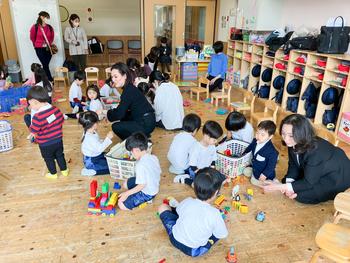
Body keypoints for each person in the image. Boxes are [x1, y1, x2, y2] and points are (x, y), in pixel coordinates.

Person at [263, 114, 350, 204]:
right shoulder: (293, 142)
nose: (286, 139)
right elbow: (293, 165)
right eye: (283, 134)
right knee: (288, 182)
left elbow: (308, 182)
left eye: (290, 135)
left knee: (300, 195)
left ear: (301, 133)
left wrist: (280, 187)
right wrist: (287, 184)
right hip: (318, 168)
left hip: (336, 176)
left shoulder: (315, 151)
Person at [158, 168, 228, 257]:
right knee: (216, 232)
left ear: (193, 186)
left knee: (162, 207)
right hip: (193, 251)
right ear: (216, 193)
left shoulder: (188, 201)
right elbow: (222, 234)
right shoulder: (215, 214)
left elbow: (178, 211)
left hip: (174, 239)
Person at [27, 86, 68, 179]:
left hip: (45, 144)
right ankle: (64, 170)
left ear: (35, 102)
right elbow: (61, 120)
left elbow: (34, 131)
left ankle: (53, 174)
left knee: (48, 159)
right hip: (58, 140)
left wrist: (31, 133)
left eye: (31, 105)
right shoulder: (55, 109)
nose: (30, 107)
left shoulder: (37, 116)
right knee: (60, 155)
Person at [106, 63, 156, 140]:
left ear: (125, 76)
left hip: (146, 123)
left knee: (115, 126)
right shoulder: (129, 88)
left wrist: (106, 113)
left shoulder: (128, 91)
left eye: (116, 76)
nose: (113, 80)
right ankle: (142, 136)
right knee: (124, 118)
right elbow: (122, 112)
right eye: (112, 77)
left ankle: (137, 141)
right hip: (148, 120)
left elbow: (119, 114)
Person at [118, 132, 161, 211]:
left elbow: (141, 186)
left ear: (136, 150)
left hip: (148, 192)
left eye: (131, 152)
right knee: (125, 184)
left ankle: (148, 199)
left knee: (121, 204)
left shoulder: (140, 165)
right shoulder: (153, 157)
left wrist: (126, 194)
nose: (131, 154)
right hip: (151, 184)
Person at [174, 121, 223, 186]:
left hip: (206, 169)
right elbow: (193, 166)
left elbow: (213, 158)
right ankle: (185, 179)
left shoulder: (212, 146)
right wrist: (203, 174)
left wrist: (212, 168)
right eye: (214, 140)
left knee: (220, 178)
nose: (216, 141)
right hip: (196, 171)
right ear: (206, 136)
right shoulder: (196, 148)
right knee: (201, 185)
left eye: (216, 139)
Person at [242, 120, 279, 187]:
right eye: (257, 133)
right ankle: (254, 174)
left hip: (264, 173)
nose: (258, 136)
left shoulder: (272, 152)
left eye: (262, 135)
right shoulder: (255, 141)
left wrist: (264, 174)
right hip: (255, 167)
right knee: (245, 171)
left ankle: (271, 181)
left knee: (253, 181)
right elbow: (250, 147)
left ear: (270, 137)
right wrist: (243, 153)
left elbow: (271, 166)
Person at [78, 111, 113, 176]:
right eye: (97, 122)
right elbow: (99, 149)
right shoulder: (90, 138)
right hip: (92, 161)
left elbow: (97, 142)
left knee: (111, 160)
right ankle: (90, 171)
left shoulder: (90, 131)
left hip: (95, 155)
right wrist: (108, 139)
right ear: (94, 125)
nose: (98, 123)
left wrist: (103, 140)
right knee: (111, 169)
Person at [30, 11, 54, 81]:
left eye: (48, 18)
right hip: (39, 48)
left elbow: (52, 37)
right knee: (45, 64)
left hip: (48, 48)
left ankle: (41, 78)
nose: (47, 19)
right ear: (41, 17)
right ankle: (50, 79)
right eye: (46, 17)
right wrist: (37, 44)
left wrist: (48, 44)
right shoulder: (35, 27)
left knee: (45, 64)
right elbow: (32, 37)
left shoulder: (49, 27)